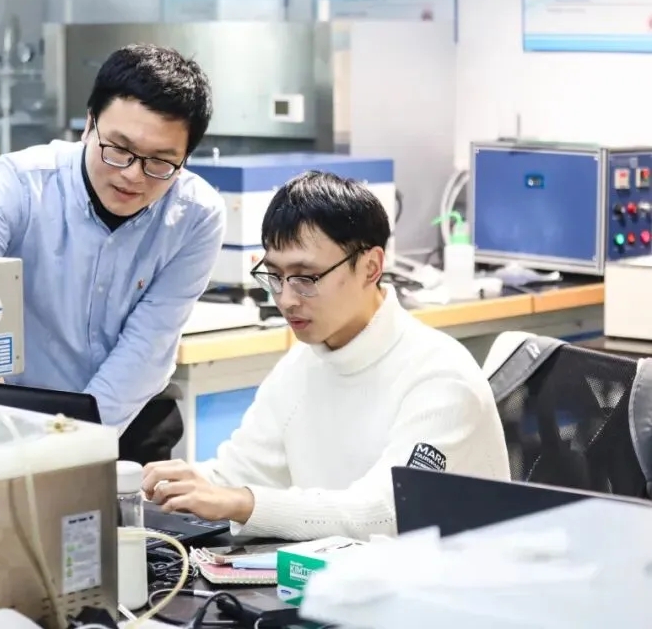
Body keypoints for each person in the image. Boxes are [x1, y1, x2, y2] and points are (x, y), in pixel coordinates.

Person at [140, 171, 509, 541]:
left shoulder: (441, 376)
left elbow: (385, 513)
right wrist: (167, 485)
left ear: (371, 267)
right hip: (347, 571)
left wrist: (243, 503)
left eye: (306, 278)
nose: (286, 299)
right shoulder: (303, 364)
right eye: (274, 276)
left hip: (444, 574)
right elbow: (238, 475)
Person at [0, 43, 226, 463]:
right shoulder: (18, 184)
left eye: (160, 162)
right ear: (89, 125)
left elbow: (148, 345)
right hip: (9, 417)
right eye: (118, 149)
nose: (133, 175)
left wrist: (71, 446)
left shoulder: (196, 216)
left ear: (185, 158)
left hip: (126, 420)